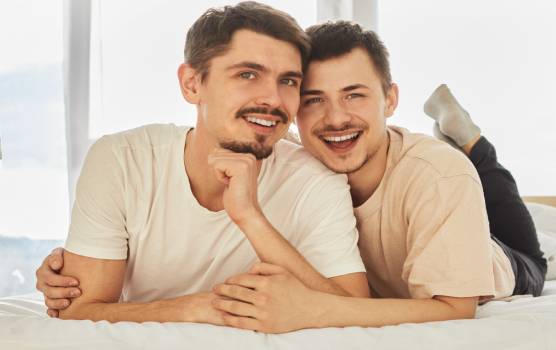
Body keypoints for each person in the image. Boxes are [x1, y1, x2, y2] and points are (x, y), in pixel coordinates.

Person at [39, 18, 547, 333]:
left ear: (390, 100)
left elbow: (453, 311)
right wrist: (74, 266)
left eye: (355, 95)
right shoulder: (274, 147)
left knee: (511, 221)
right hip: (378, 260)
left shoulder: (436, 178)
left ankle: (472, 140)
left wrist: (313, 310)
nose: (334, 118)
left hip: (496, 261)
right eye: (310, 99)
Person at [36, 2, 369, 324]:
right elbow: (78, 312)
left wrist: (249, 216)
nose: (272, 98)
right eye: (248, 74)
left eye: (288, 81)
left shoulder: (315, 178)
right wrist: (189, 309)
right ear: (192, 84)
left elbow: (354, 312)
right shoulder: (122, 160)